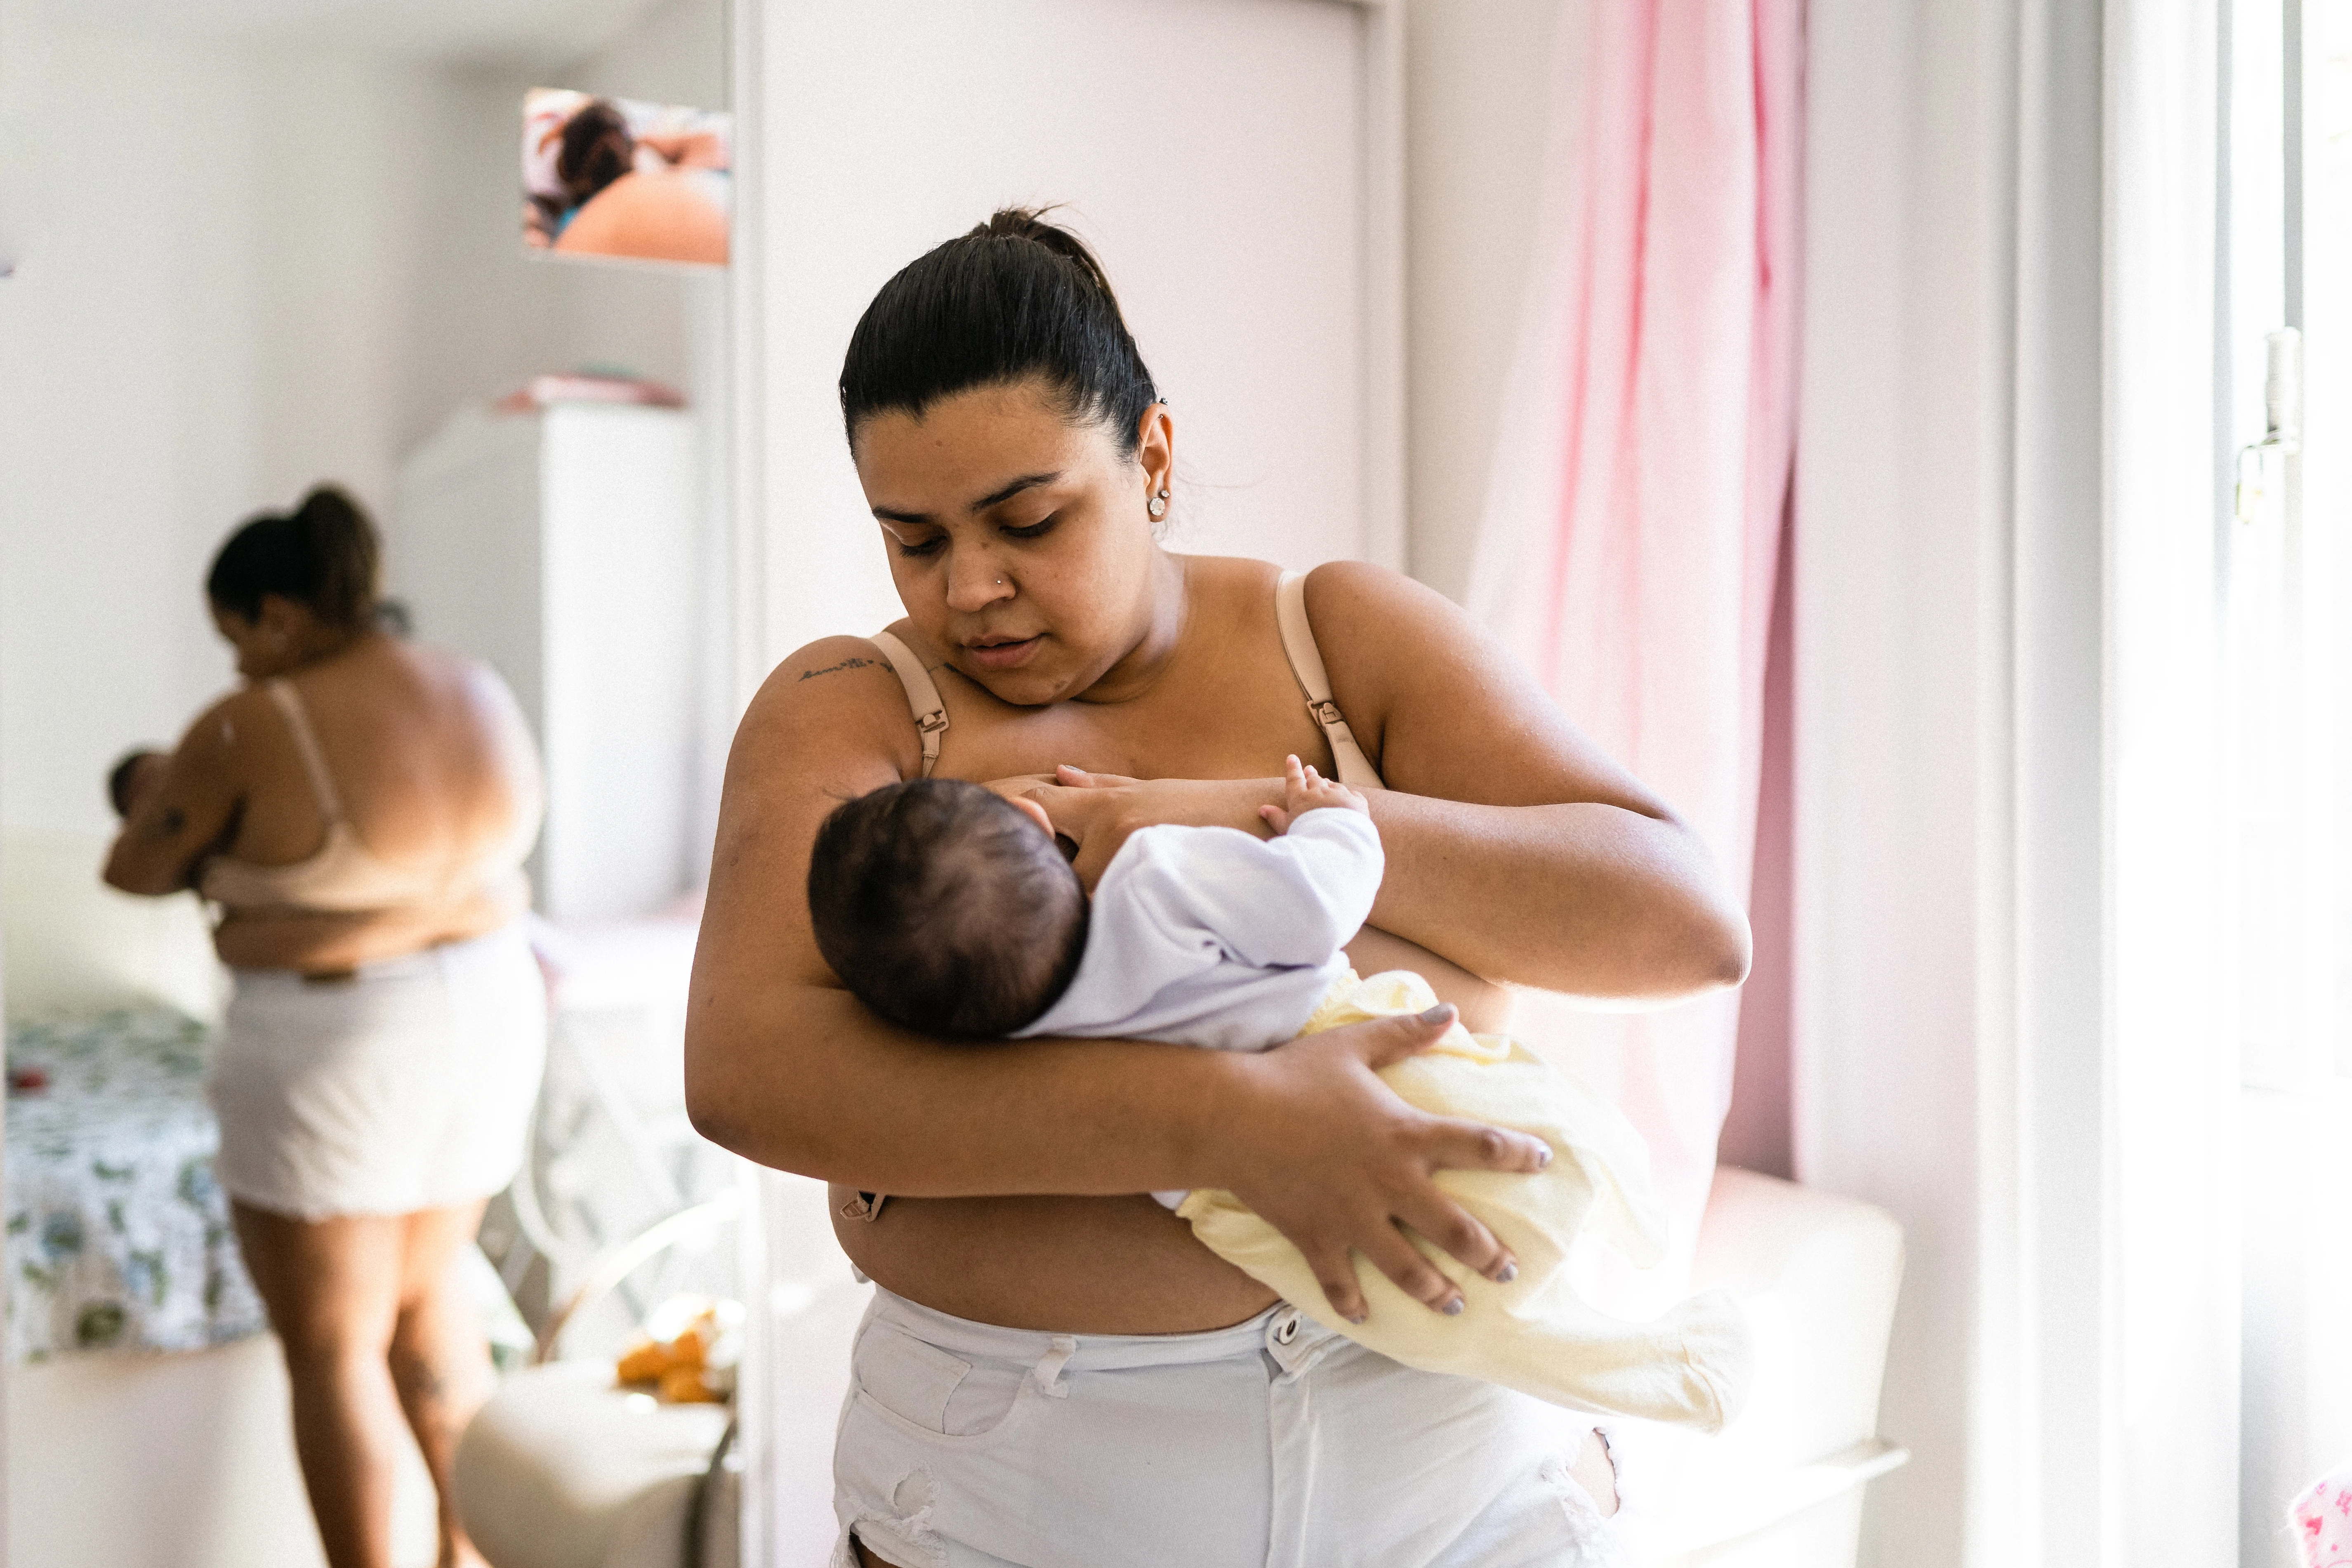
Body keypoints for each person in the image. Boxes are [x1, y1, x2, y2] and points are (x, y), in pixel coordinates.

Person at [683, 209, 1752, 1568]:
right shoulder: (858, 710)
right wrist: (1226, 1125)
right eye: (914, 540)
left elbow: (1686, 925)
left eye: (1027, 519)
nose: (971, 590)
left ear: (1153, 456)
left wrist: (1222, 819)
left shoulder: (1341, 642)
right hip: (1033, 1490)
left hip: (1446, 1482)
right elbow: (750, 1072)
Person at [806, 757, 1751, 1430]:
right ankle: (1640, 1224)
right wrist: (1326, 815)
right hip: (1369, 1061)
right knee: (1556, 1128)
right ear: (1032, 819)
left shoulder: (1008, 1048)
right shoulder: (1153, 880)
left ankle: (1657, 1373)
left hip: (1244, 1212)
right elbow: (1317, 902)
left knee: (1469, 1334)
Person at [104, 485, 547, 1568]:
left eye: (238, 637)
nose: (239, 665)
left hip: (342, 1037)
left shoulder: (256, 719)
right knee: (431, 1287)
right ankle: (466, 1550)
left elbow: (134, 867)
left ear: (282, 615)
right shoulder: (471, 686)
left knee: (335, 1341)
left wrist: (205, 843)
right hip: (492, 1007)